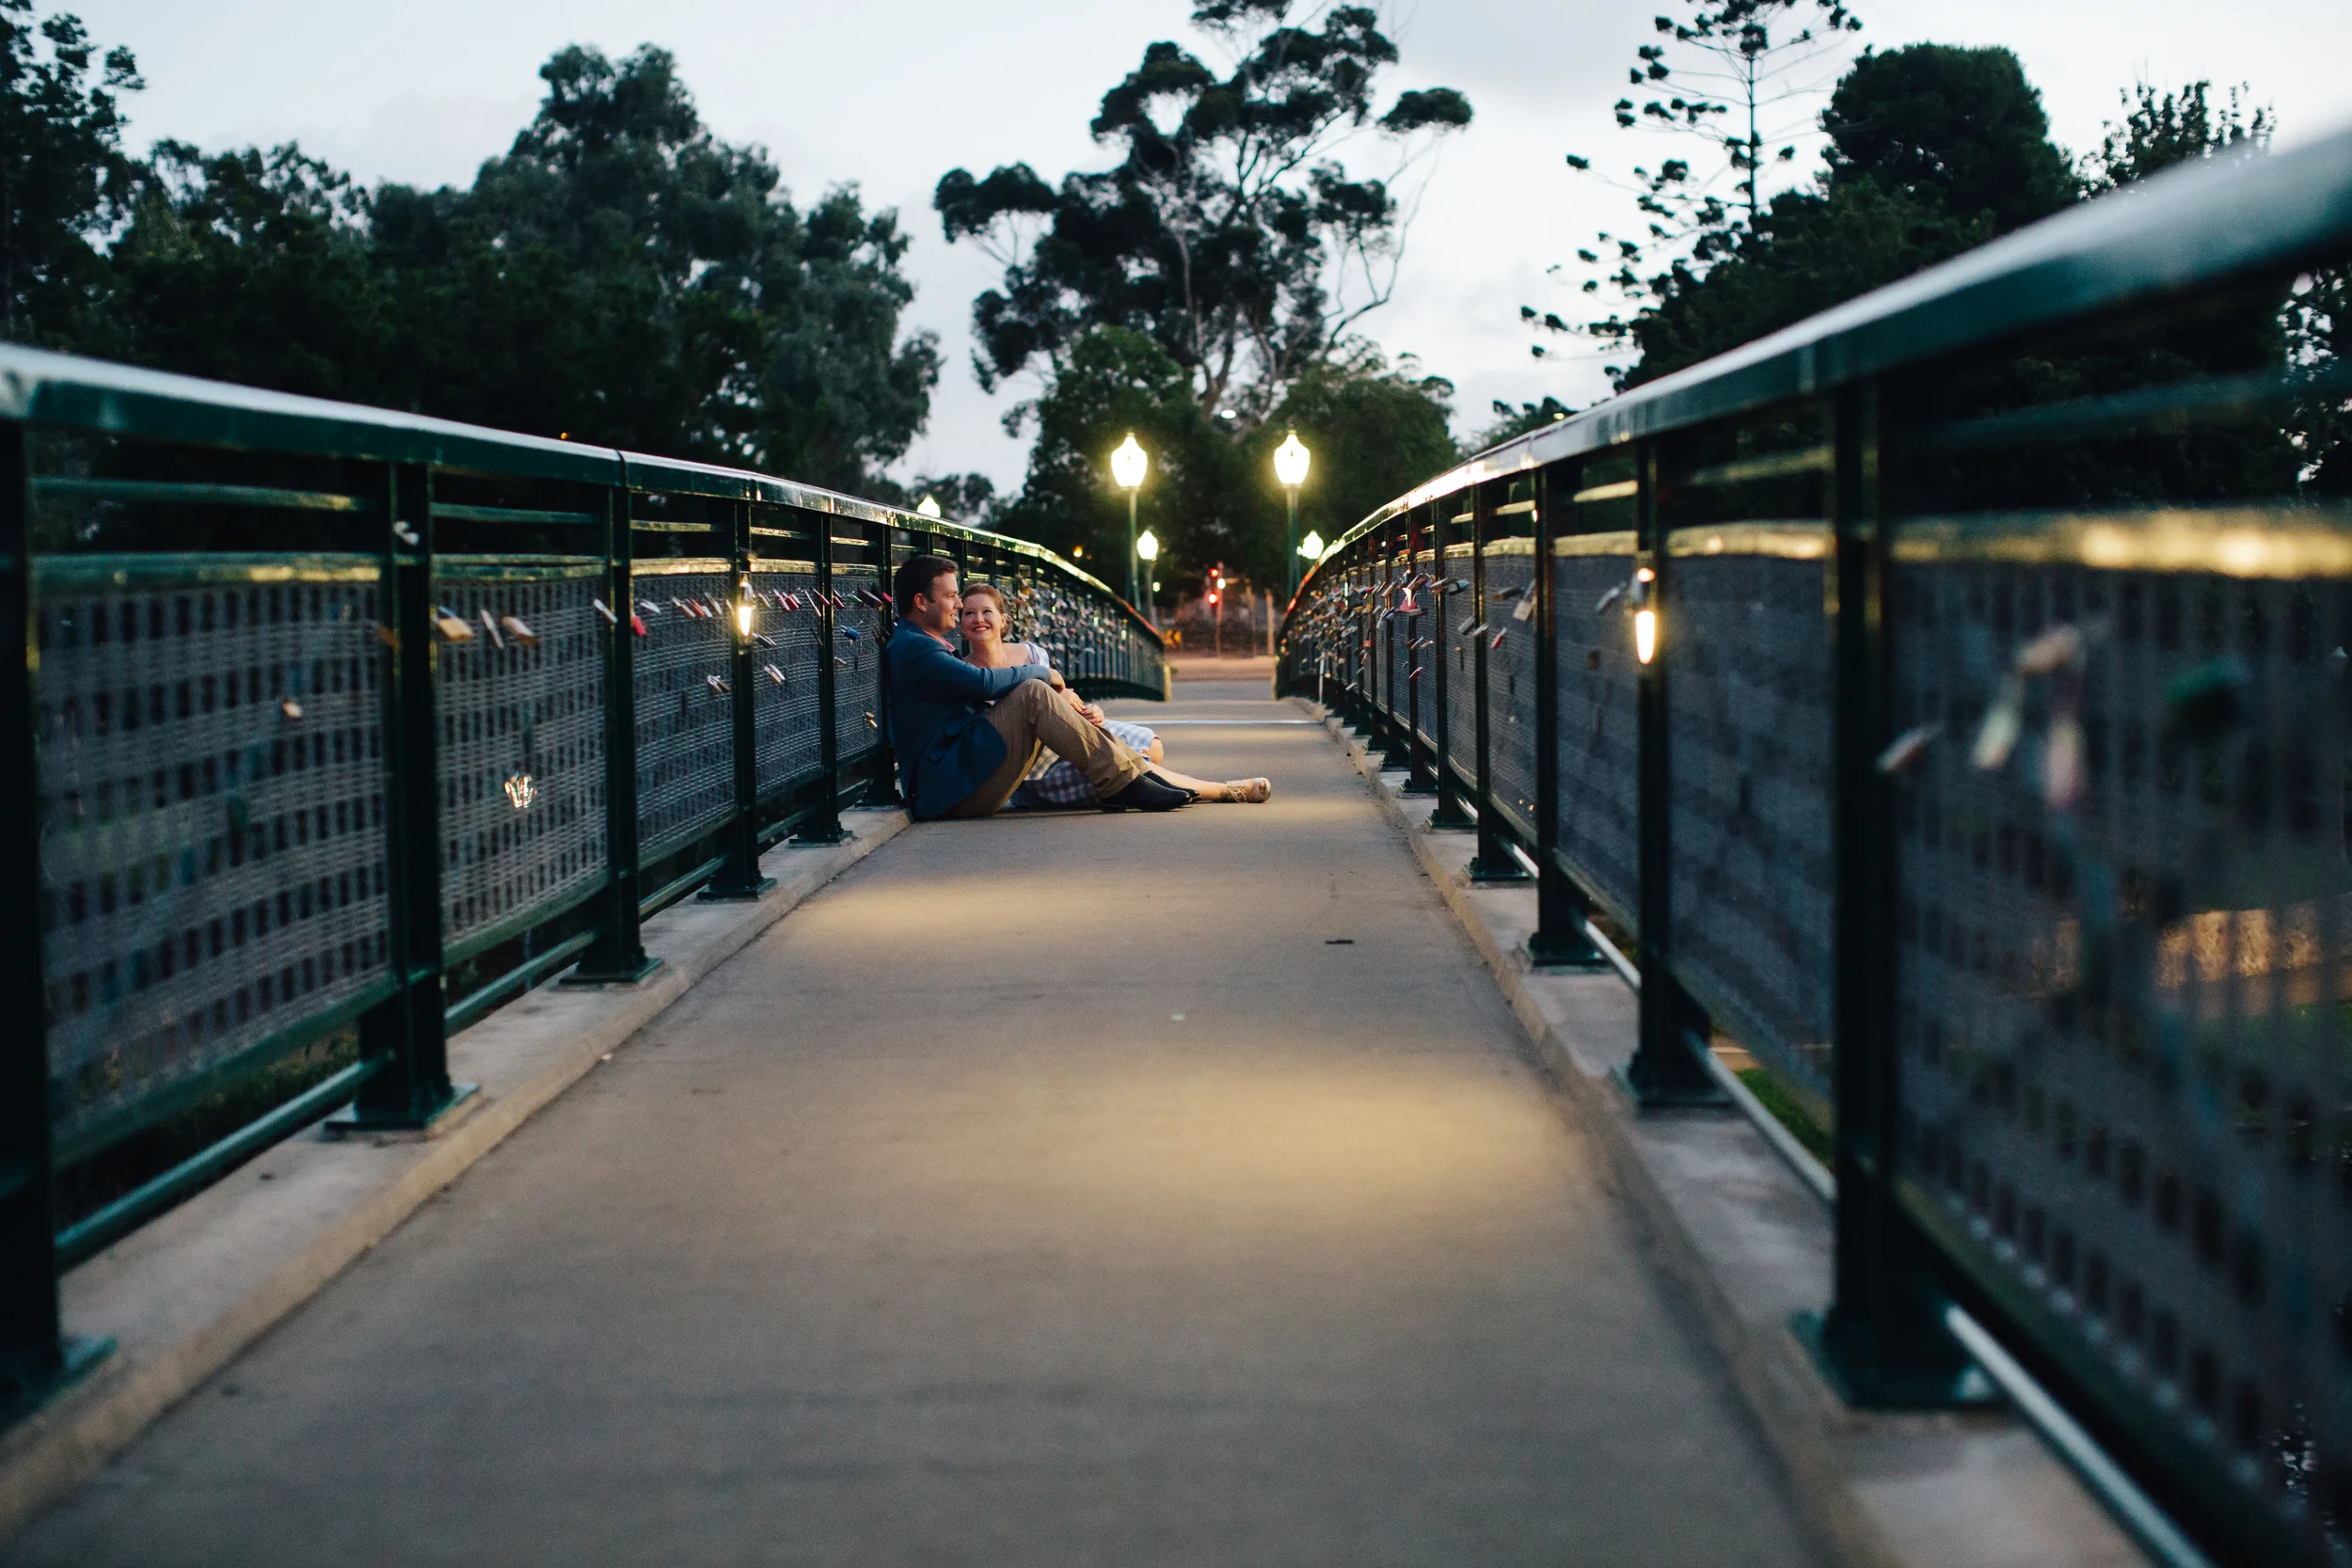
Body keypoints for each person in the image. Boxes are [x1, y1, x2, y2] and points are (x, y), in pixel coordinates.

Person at [884, 554, 1193, 819]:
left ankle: (1131, 778)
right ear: (921, 602)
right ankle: (1124, 782)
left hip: (960, 777)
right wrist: (1043, 672)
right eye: (951, 596)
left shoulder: (920, 643)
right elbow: (983, 682)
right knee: (1033, 691)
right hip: (949, 793)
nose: (959, 603)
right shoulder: (915, 647)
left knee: (1034, 693)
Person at [955, 584, 1270, 806]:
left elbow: (1062, 700)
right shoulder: (962, 672)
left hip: (1067, 737)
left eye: (986, 612)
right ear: (960, 622)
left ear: (1003, 620)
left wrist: (1088, 713)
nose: (978, 619)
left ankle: (1184, 787)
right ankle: (1222, 791)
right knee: (1132, 763)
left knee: (1152, 747)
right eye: (969, 613)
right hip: (1033, 766)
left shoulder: (1030, 653)